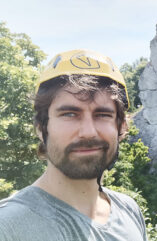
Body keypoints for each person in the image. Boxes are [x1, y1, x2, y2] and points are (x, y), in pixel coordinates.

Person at [0, 49, 148, 241]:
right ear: (41, 128)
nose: (88, 131)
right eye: (69, 114)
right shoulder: (8, 227)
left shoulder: (129, 211)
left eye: (102, 115)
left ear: (121, 127)